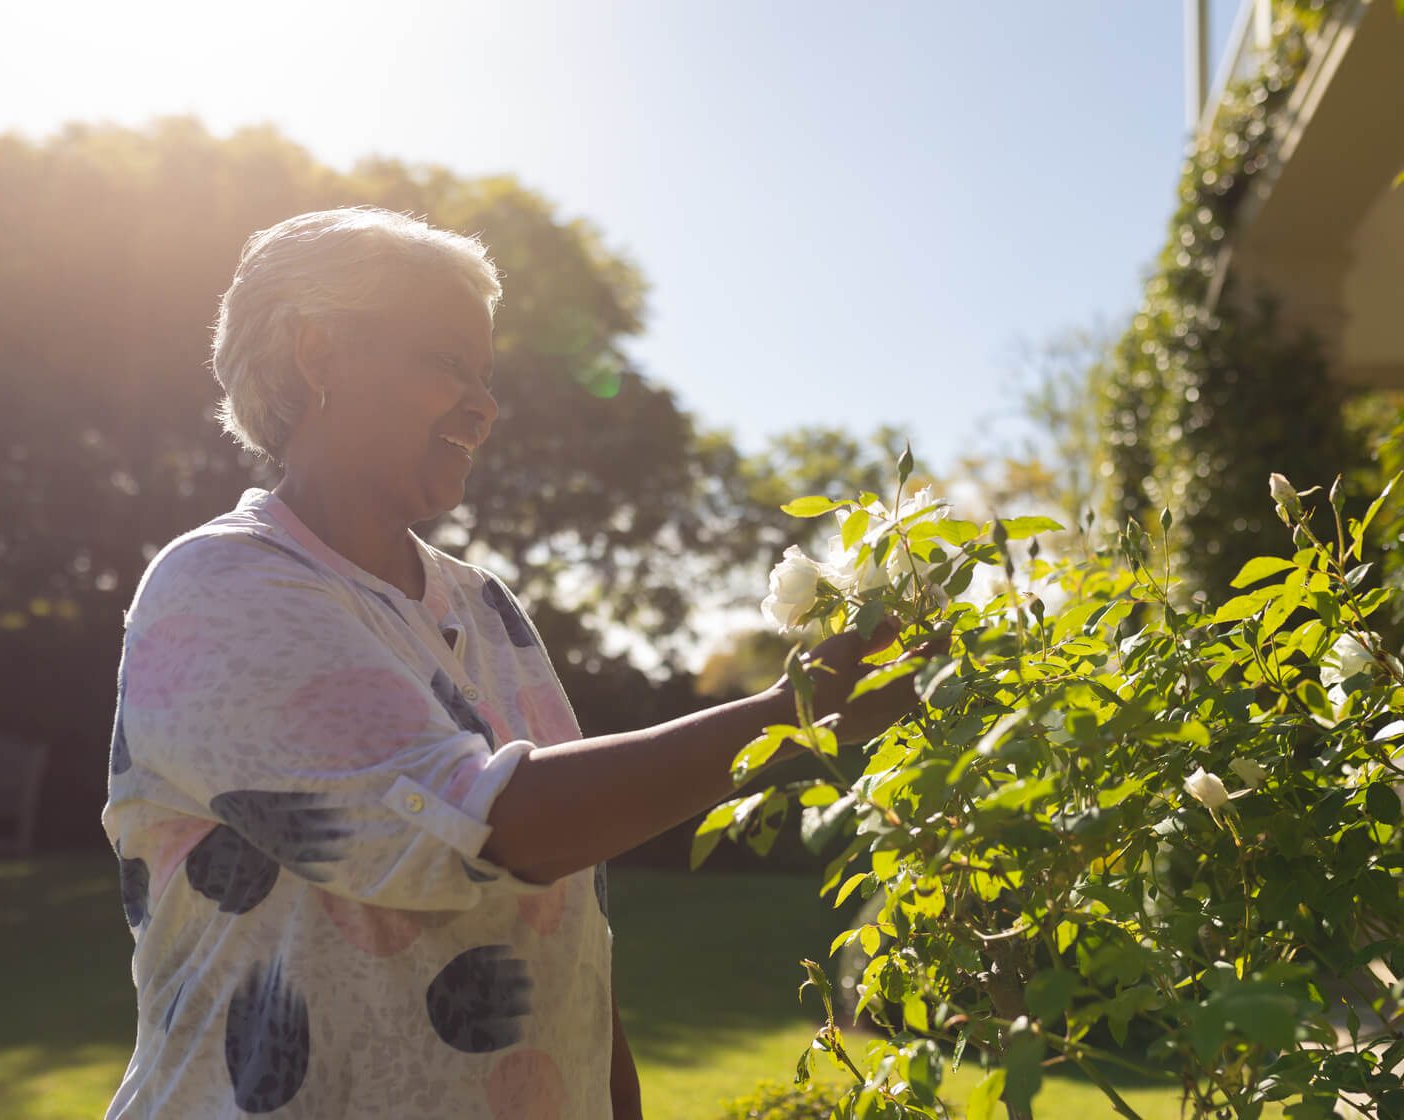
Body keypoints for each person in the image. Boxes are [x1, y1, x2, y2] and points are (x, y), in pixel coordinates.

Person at [101, 207, 919, 1119]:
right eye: (448, 364)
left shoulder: (484, 608)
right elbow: (474, 831)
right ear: (317, 354)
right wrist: (801, 710)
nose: (485, 407)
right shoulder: (224, 586)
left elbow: (567, 899)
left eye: (486, 378)